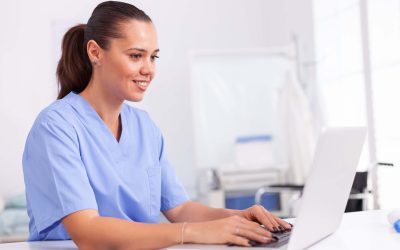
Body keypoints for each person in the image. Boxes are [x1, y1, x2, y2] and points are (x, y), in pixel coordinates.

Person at [22, 1, 291, 249]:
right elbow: (88, 232)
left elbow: (180, 209)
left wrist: (236, 217)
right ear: (95, 53)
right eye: (136, 56)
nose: (149, 69)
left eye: (153, 57)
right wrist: (192, 232)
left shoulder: (144, 126)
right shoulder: (56, 127)